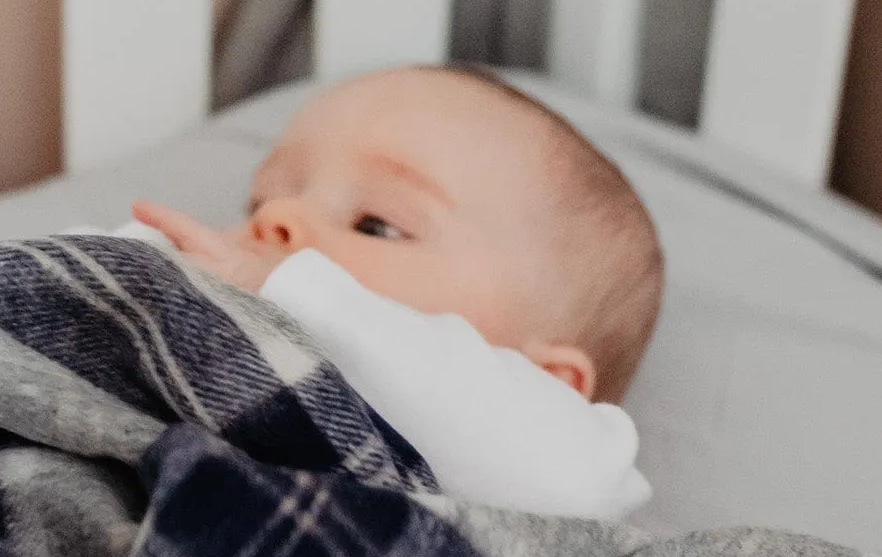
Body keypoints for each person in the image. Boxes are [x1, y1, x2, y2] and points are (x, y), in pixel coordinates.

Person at [129, 64, 664, 519]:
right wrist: (141, 262)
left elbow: (568, 476)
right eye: (259, 201)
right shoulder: (209, 338)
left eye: (376, 225)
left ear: (550, 387)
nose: (275, 216)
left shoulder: (558, 457)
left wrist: (298, 290)